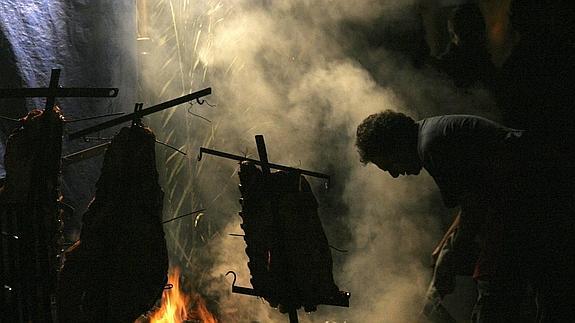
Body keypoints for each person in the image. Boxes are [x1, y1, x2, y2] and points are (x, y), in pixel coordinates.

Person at [356, 110, 574, 322]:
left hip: (534, 199)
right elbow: (472, 199)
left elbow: (475, 207)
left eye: (390, 165)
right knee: (549, 294)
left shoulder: (431, 145)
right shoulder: (432, 133)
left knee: (495, 287)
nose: (394, 174)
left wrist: (452, 254)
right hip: (537, 198)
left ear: (397, 144)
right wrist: (444, 247)